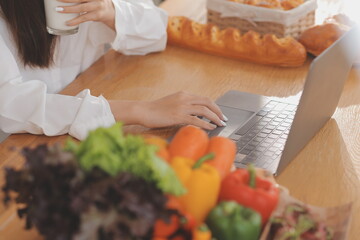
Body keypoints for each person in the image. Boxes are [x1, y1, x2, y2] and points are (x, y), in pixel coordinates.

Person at [0, 0, 226, 140]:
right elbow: (10, 106)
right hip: (15, 149)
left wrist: (111, 11)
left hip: (73, 137)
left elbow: (156, 29)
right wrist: (140, 111)